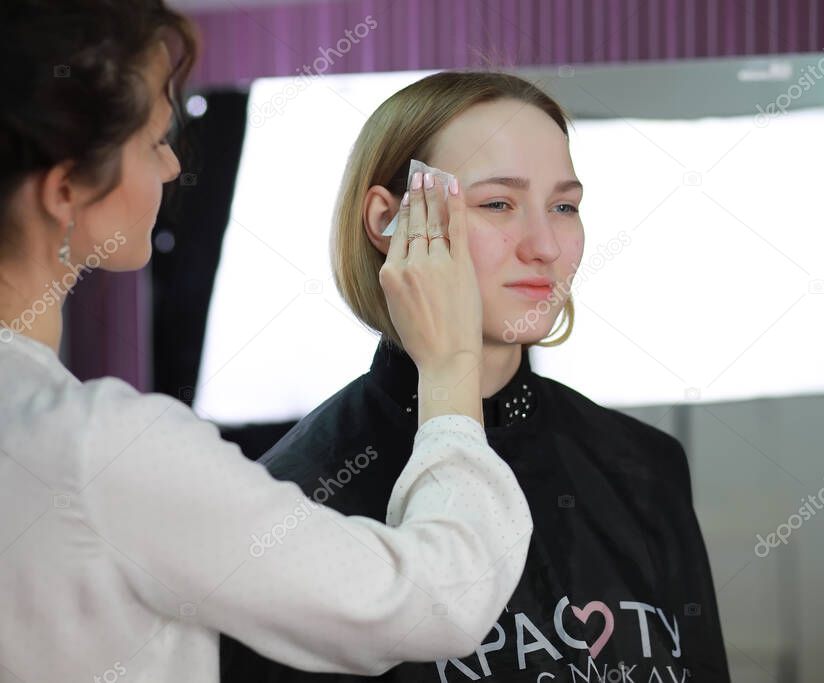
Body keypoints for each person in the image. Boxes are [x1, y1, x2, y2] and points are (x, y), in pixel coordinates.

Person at [0, 3, 532, 681]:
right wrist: (452, 368)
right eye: (157, 140)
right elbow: (433, 599)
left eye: (565, 205)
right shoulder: (98, 449)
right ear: (66, 186)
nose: (169, 169)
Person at [222, 71, 731, 682]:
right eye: (497, 203)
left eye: (564, 206)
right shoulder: (296, 496)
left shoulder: (647, 467)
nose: (545, 245)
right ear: (389, 220)